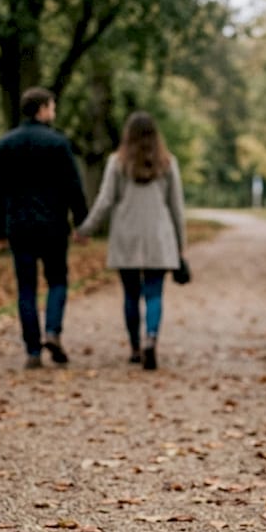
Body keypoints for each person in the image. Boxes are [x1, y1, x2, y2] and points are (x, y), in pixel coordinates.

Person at [76, 111, 185, 371]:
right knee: (154, 294)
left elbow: (104, 202)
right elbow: (176, 208)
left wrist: (85, 229)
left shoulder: (117, 163)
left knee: (130, 295)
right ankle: (151, 339)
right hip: (159, 238)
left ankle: (135, 347)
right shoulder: (168, 163)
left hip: (126, 237)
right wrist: (180, 247)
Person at [0, 87, 89, 369]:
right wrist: (81, 223)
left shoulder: (5, 144)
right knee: (57, 280)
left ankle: (33, 349)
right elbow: (73, 186)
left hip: (19, 227)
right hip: (53, 226)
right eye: (52, 107)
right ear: (42, 109)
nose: (54, 112)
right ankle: (53, 331)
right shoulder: (58, 143)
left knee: (26, 288)